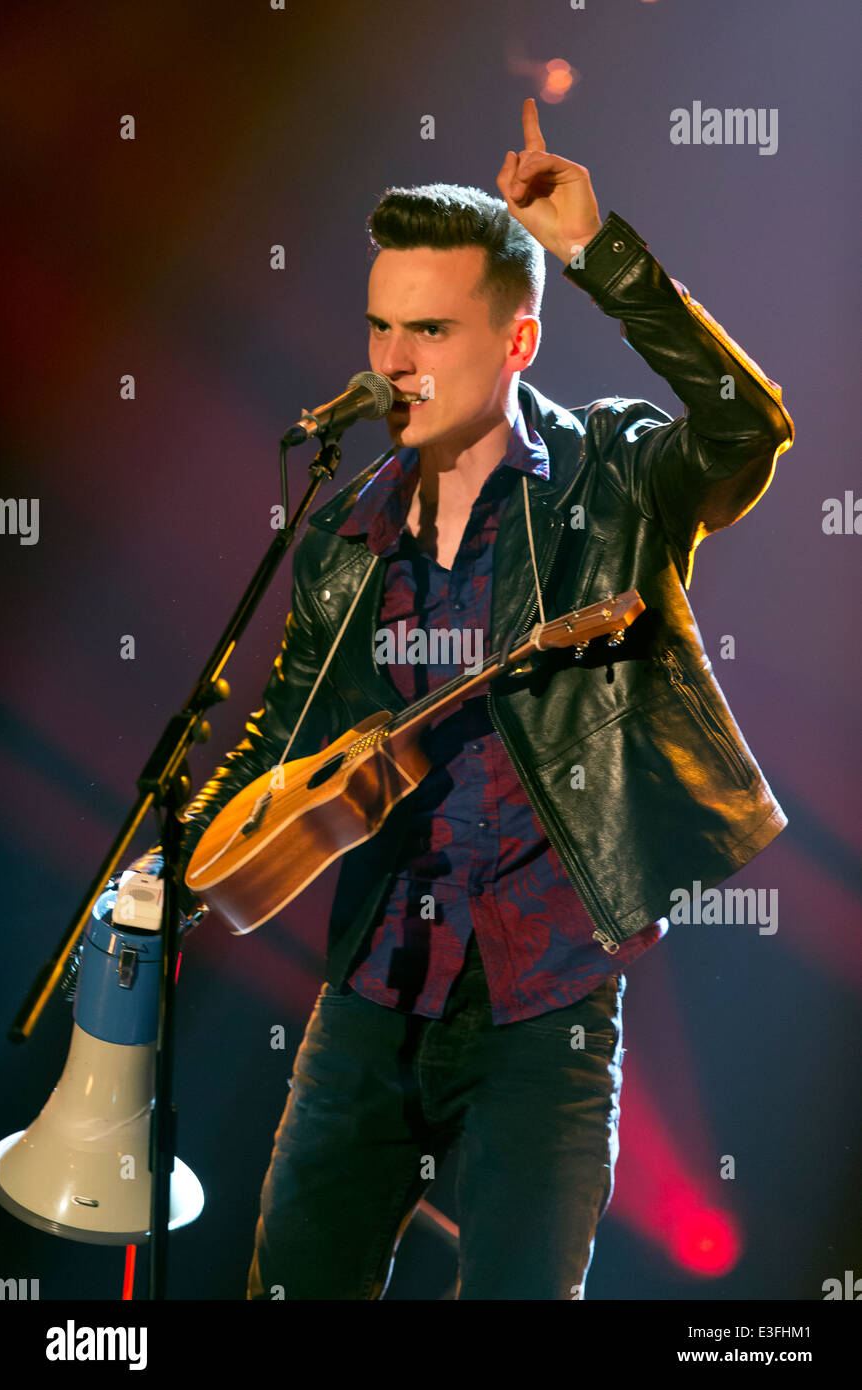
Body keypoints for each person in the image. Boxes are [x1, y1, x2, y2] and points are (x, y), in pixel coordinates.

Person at [132, 99, 794, 1298]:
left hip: (543, 1014)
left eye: (430, 329)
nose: (395, 362)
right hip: (366, 1002)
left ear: (518, 341)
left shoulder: (611, 475)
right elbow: (284, 732)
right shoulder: (346, 522)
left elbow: (748, 424)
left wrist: (605, 254)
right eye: (382, 326)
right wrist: (169, 884)